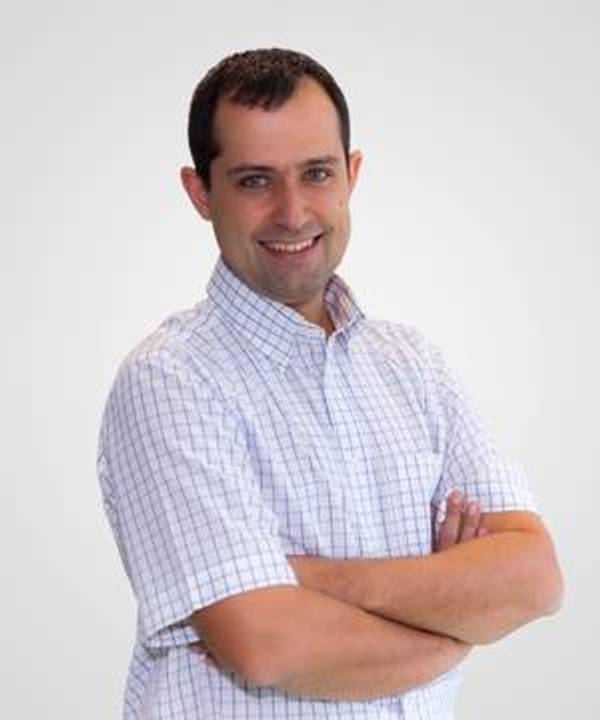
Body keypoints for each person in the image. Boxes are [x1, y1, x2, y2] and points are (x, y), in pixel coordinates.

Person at [97, 48, 563, 719]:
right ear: (201, 192)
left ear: (351, 174)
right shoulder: (171, 381)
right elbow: (268, 645)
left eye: (316, 173)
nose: (293, 212)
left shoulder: (414, 367)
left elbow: (534, 579)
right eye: (255, 181)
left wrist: (313, 579)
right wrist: (454, 617)